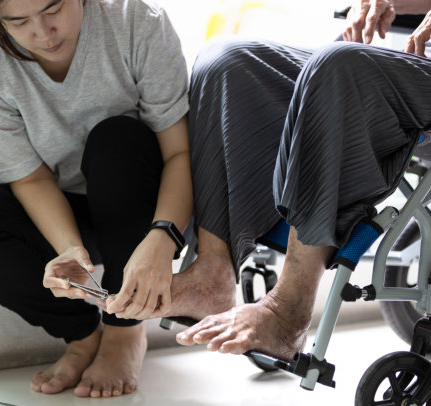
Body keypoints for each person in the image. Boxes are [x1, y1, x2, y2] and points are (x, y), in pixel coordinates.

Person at [152, 0, 431, 362]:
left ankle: (288, 310)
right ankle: (212, 271)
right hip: (406, 54)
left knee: (338, 67)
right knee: (225, 59)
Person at [0, 0, 192, 398]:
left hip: (146, 206)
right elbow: (31, 180)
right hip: (63, 211)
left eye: (54, 9)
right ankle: (81, 335)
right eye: (19, 22)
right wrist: (69, 251)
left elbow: (179, 155)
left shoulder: (136, 23)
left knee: (116, 138)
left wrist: (163, 238)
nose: (44, 33)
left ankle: (124, 332)